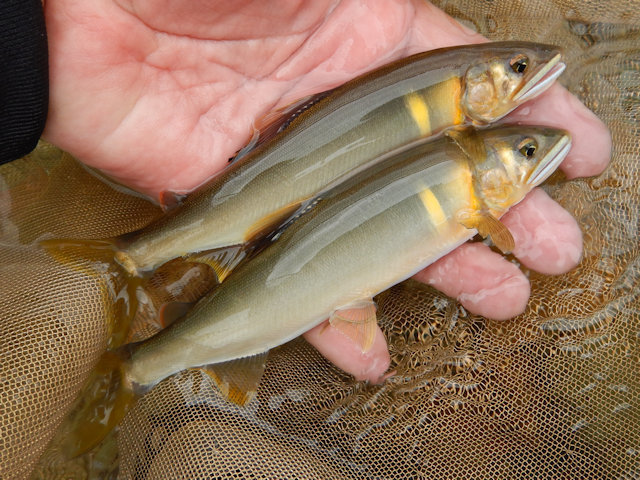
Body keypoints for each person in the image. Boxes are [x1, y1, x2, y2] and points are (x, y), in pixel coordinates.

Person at [3, 0, 611, 382]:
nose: (526, 79)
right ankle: (136, 262)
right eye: (516, 72)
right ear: (471, 86)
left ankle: (138, 269)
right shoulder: (453, 131)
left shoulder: (453, 139)